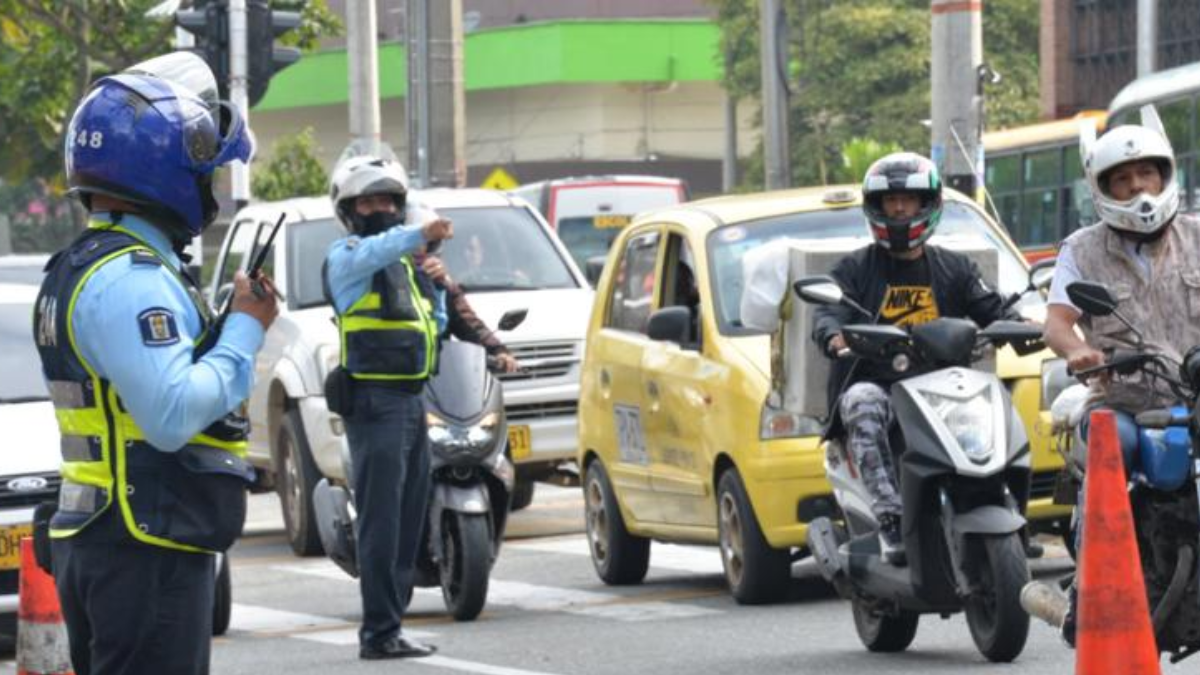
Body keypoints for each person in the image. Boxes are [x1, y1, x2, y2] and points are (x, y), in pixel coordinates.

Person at [31, 52, 276, 675]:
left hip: (110, 539)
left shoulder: (84, 266)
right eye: (203, 175)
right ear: (163, 172)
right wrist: (245, 329)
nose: (209, 191)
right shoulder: (132, 279)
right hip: (144, 546)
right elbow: (169, 415)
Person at [811, 152, 1020, 565]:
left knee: (996, 402)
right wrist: (834, 335)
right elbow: (828, 311)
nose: (901, 209)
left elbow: (991, 307)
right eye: (891, 202)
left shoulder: (955, 268)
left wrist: (1020, 323)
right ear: (876, 208)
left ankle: (1003, 504)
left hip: (943, 386)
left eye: (909, 200)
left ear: (929, 204)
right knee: (861, 402)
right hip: (880, 382)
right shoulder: (854, 269)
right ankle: (889, 518)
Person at [1042, 105, 1200, 646]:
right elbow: (1058, 324)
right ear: (1102, 187)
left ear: (1165, 175)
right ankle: (1087, 591)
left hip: (1195, 397)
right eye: (1123, 179)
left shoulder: (1199, 236)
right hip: (1125, 398)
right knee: (1112, 449)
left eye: (1147, 174)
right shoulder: (1081, 250)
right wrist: (1081, 353)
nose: (1139, 188)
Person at [323, 155, 453, 660]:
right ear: (350, 210)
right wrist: (419, 234)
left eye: (389, 201)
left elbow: (433, 328)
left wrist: (436, 286)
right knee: (380, 521)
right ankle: (377, 632)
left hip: (411, 399)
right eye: (369, 200)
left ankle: (391, 624)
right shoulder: (349, 257)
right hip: (375, 403)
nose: (381, 209)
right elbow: (384, 245)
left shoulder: (406, 266)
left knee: (406, 519)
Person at [418, 253, 520, 372]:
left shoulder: (442, 285)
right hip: (397, 375)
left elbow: (468, 323)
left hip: (435, 378)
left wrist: (498, 351)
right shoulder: (394, 274)